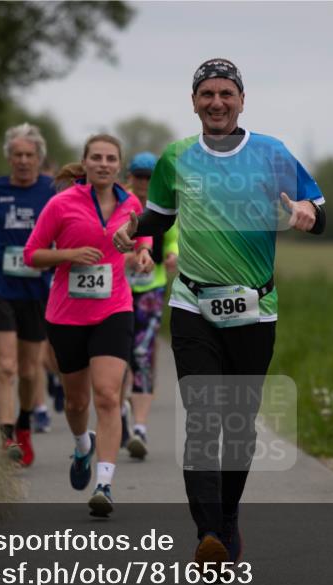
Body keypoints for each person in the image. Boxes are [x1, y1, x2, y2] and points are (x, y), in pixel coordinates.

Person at [114, 59, 326, 563]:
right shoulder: (176, 157)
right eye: (206, 93)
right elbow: (159, 218)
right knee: (205, 416)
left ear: (241, 99)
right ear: (193, 102)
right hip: (194, 305)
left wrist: (304, 213)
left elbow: (319, 212)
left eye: (225, 93)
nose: (216, 102)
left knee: (240, 423)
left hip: (256, 307)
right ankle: (207, 533)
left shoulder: (272, 153)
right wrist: (133, 232)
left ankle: (227, 518)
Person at [24, 135, 154, 517]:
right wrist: (69, 255)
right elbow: (33, 254)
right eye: (95, 157)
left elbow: (142, 234)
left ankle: (104, 484)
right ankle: (83, 445)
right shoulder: (61, 204)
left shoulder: (131, 203)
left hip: (114, 310)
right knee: (77, 401)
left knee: (108, 396)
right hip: (66, 315)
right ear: (85, 163)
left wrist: (144, 253)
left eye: (110, 158)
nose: (103, 163)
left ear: (119, 165)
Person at [0, 123, 57, 468]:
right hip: (0, 286)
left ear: (39, 158)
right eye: (17, 155)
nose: (23, 161)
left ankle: (25, 423)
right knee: (6, 366)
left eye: (29, 155)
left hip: (38, 288)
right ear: (8, 157)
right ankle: (5, 439)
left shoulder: (52, 189)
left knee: (31, 370)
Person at [120, 152, 179, 460]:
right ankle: (118, 413)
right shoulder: (119, 203)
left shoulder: (163, 205)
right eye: (139, 176)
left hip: (151, 289)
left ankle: (140, 428)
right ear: (130, 176)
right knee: (117, 358)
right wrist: (123, 259)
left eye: (149, 177)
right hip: (116, 290)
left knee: (142, 354)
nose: (144, 182)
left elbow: (171, 238)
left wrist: (171, 254)